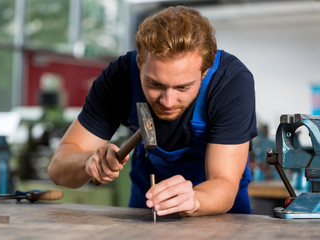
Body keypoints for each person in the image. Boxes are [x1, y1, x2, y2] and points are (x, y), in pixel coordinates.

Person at [48, 5, 257, 217]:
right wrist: (88, 162)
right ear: (140, 63)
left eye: (182, 87)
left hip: (218, 215)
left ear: (205, 71)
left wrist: (194, 200)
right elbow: (58, 168)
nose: (167, 101)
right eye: (155, 84)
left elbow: (224, 183)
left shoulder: (231, 83)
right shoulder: (119, 78)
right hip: (147, 211)